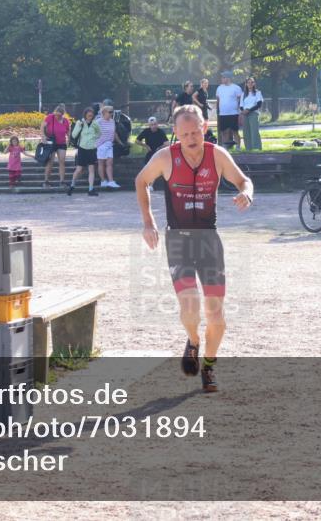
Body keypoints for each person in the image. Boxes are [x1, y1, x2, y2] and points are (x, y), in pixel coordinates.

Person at [135, 104, 254, 393]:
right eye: (184, 133)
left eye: (195, 131)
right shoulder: (165, 157)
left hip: (208, 240)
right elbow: (141, 181)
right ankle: (194, 341)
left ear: (205, 127)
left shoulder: (217, 155)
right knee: (190, 308)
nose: (191, 138)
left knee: (216, 315)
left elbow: (243, 181)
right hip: (178, 239)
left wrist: (246, 193)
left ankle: (210, 365)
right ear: (175, 132)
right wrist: (148, 223)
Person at [67, 107, 101, 196]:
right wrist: (79, 126)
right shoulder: (80, 122)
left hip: (92, 149)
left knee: (91, 169)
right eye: (88, 114)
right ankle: (72, 185)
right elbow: (74, 135)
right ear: (85, 115)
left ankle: (90, 189)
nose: (90, 116)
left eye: (91, 114)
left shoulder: (95, 124)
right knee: (79, 169)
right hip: (82, 149)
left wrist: (93, 138)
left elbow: (99, 133)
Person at [96, 105, 127, 189]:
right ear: (104, 112)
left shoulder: (112, 121)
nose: (111, 113)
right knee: (101, 163)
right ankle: (103, 181)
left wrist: (121, 143)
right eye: (110, 112)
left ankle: (111, 181)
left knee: (109, 163)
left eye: (112, 112)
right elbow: (94, 133)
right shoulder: (98, 122)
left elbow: (114, 133)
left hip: (109, 145)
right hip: (101, 145)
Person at [41, 104, 71, 188]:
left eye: (59, 115)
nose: (57, 116)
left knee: (62, 161)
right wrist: (43, 136)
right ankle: (46, 181)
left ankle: (62, 181)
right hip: (51, 142)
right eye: (56, 114)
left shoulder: (65, 121)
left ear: (62, 114)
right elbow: (42, 126)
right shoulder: (50, 117)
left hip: (61, 142)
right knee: (50, 161)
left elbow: (68, 131)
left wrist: (69, 138)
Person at [215, 72, 243, 149]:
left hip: (233, 113)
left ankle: (238, 147)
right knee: (224, 131)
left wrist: (240, 113)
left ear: (228, 78)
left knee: (235, 131)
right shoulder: (219, 88)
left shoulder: (236, 88)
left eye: (223, 77)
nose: (222, 79)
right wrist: (217, 111)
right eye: (222, 77)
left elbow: (240, 101)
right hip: (223, 114)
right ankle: (225, 148)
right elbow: (218, 100)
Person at [240, 77, 264, 150]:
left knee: (254, 132)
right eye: (248, 82)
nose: (250, 84)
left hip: (253, 113)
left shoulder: (257, 93)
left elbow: (259, 104)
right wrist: (243, 111)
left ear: (254, 83)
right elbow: (241, 105)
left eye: (252, 82)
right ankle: (248, 148)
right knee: (246, 132)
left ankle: (256, 148)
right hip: (245, 114)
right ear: (246, 84)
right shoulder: (243, 94)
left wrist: (249, 110)